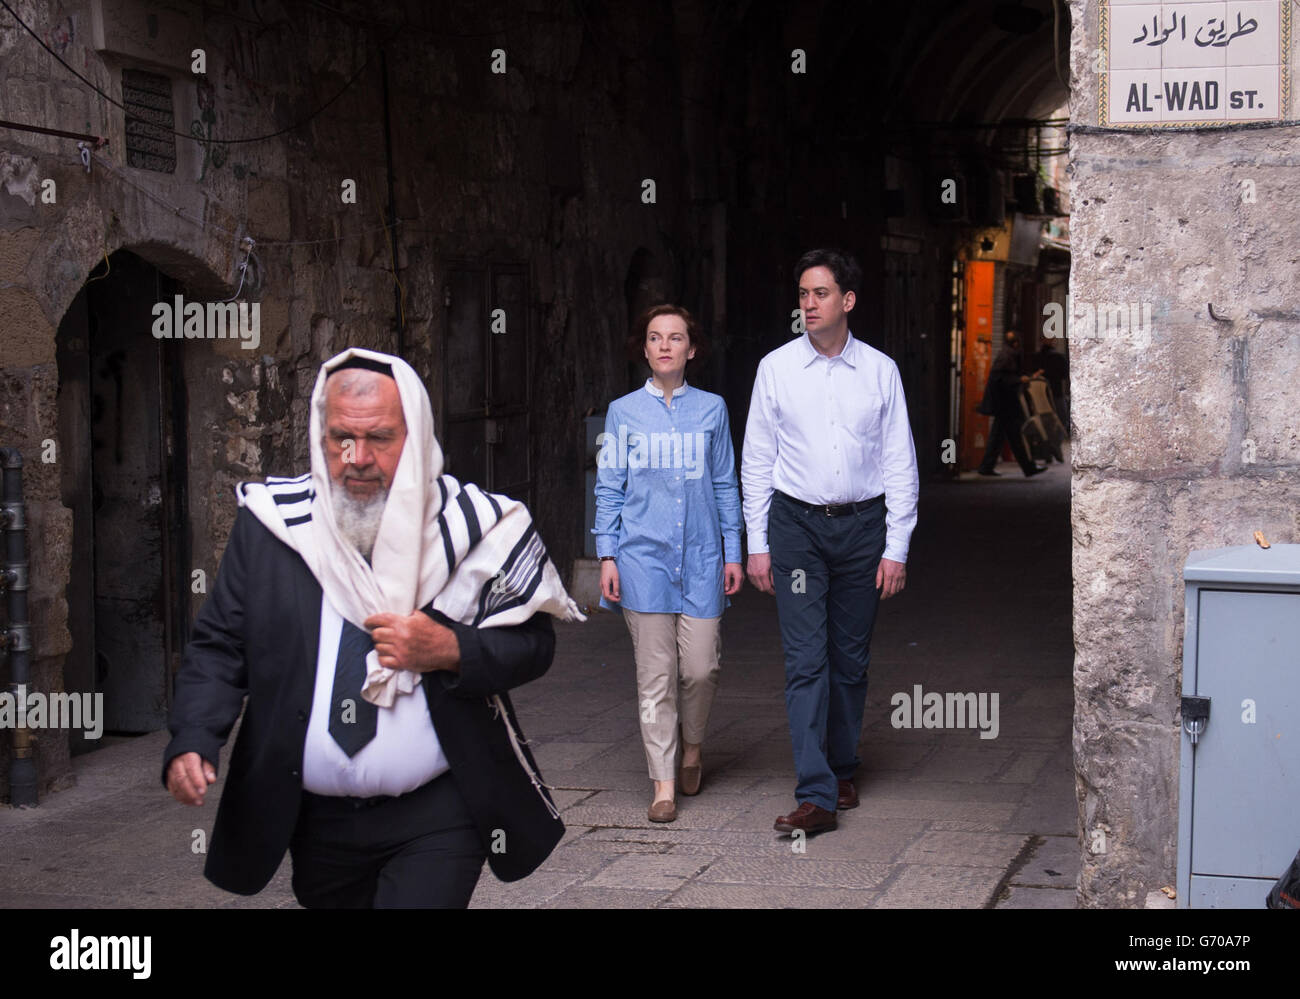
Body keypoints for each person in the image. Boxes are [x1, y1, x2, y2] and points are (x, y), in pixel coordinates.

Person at [163, 346, 585, 908]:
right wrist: (194, 739)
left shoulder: (476, 529)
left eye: (379, 438)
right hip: (317, 824)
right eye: (341, 437)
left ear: (416, 438)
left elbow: (534, 647)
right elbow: (219, 646)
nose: (357, 457)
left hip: (438, 813)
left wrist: (452, 649)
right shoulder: (272, 527)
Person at [742, 249, 919, 836]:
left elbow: (900, 462)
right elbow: (757, 460)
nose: (809, 304)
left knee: (849, 660)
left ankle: (842, 768)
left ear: (847, 301)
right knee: (805, 660)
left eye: (820, 293)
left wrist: (897, 546)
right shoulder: (775, 369)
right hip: (796, 530)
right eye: (802, 294)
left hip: (864, 529)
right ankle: (816, 793)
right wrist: (758, 542)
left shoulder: (880, 371)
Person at [593, 305, 743, 823]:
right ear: (645, 349)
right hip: (642, 559)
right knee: (654, 674)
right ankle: (662, 783)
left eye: (675, 338)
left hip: (702, 558)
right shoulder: (623, 412)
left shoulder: (713, 410)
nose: (664, 346)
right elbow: (610, 484)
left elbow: (725, 482)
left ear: (691, 349)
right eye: (655, 338)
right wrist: (606, 554)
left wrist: (734, 551)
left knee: (702, 668)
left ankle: (693, 747)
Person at [977, 329, 1045, 477]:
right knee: (1016, 436)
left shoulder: (1006, 355)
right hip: (1006, 404)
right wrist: (1020, 380)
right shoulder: (1007, 356)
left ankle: (987, 466)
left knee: (1000, 436)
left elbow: (1006, 376)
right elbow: (1001, 378)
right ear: (1015, 343)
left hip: (1004, 404)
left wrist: (1024, 378)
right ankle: (1028, 467)